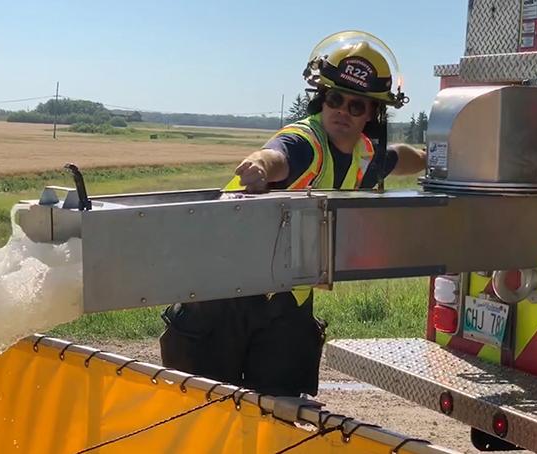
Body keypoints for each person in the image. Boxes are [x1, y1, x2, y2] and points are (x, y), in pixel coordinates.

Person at [159, 31, 427, 397]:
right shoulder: (306, 142)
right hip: (223, 293)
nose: (342, 112)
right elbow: (278, 156)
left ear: (372, 114)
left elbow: (397, 157)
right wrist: (258, 164)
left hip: (285, 302)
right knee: (205, 411)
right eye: (335, 99)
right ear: (322, 99)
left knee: (279, 416)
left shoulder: (363, 157)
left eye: (356, 106)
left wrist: (434, 159)